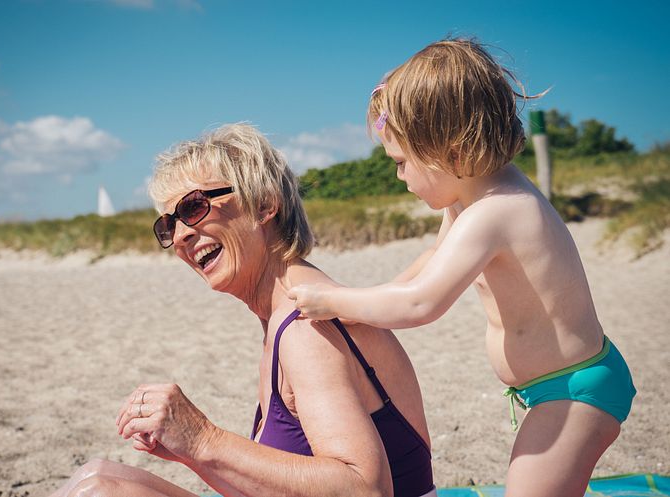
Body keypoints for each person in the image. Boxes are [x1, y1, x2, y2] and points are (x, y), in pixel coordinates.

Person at [288, 38, 636, 497]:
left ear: (447, 150)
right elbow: (427, 266)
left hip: (574, 392)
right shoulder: (469, 201)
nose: (399, 177)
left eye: (401, 162)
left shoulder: (497, 212)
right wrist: (368, 300)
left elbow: (422, 303)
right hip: (554, 388)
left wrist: (333, 300)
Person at [49, 123, 436, 497]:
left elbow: (365, 490)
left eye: (195, 206)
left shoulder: (306, 327)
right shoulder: (286, 312)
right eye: (169, 224)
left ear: (264, 204)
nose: (181, 235)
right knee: (99, 477)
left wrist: (203, 441)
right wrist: (194, 454)